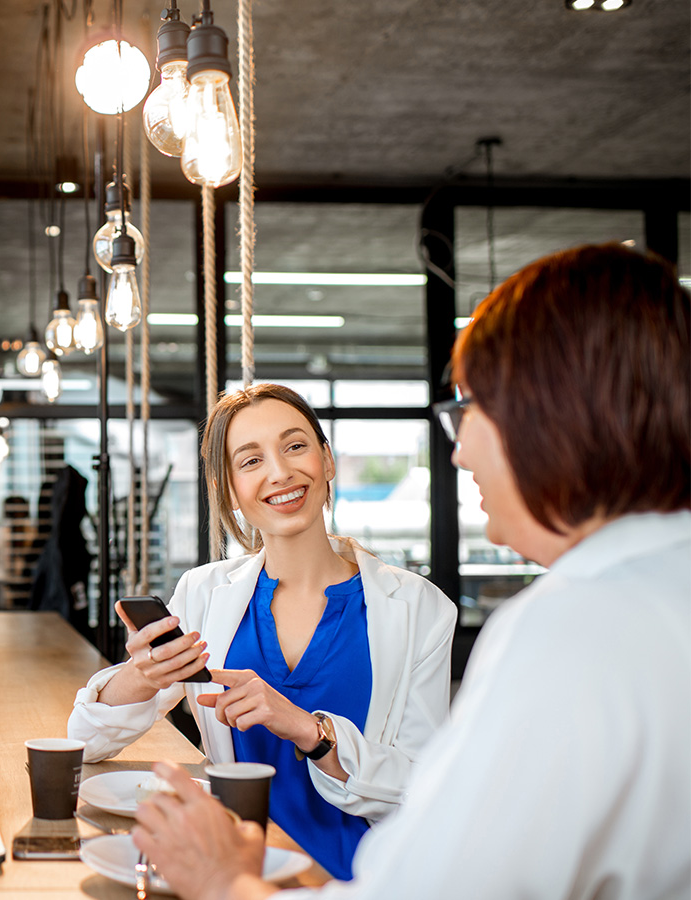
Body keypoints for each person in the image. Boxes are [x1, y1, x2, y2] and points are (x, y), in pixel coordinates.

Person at [129, 243, 691, 900]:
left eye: (472, 409)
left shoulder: (568, 629)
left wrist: (224, 882)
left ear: (557, 415)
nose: (460, 450)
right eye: (249, 461)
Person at [68, 383, 457, 880]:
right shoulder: (205, 594)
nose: (280, 472)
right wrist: (143, 676)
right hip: (235, 873)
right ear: (228, 490)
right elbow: (85, 743)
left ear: (327, 460)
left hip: (358, 880)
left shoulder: (419, 608)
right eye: (250, 461)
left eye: (295, 446)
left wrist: (310, 732)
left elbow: (424, 788)